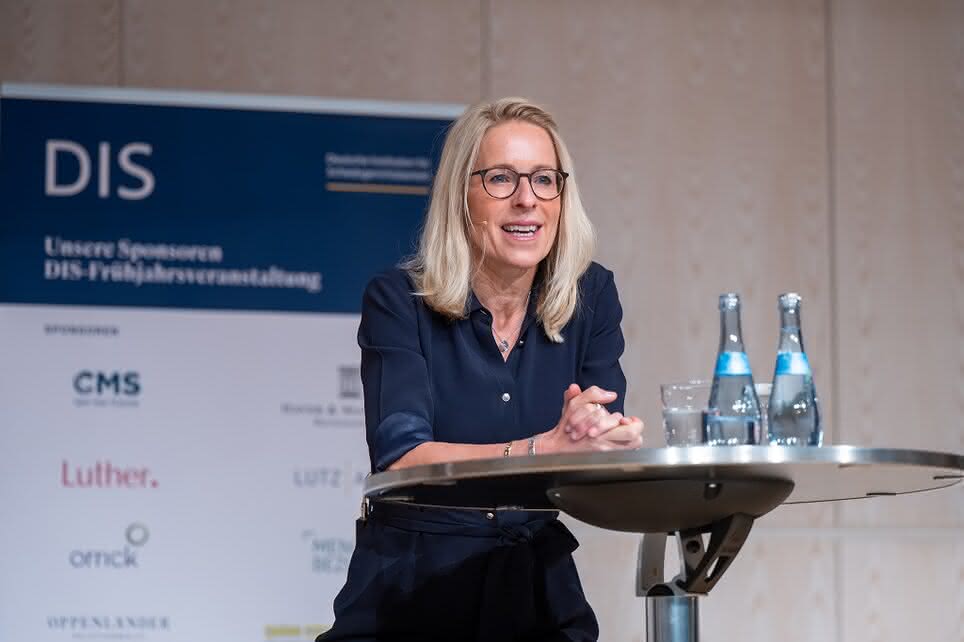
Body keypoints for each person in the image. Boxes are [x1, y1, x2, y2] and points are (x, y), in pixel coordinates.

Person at [318, 97, 645, 642]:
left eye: (544, 179)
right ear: (461, 197)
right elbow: (401, 455)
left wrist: (606, 440)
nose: (527, 200)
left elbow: (592, 438)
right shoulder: (399, 301)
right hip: (412, 587)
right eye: (500, 179)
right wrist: (542, 449)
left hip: (536, 586)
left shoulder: (592, 296)